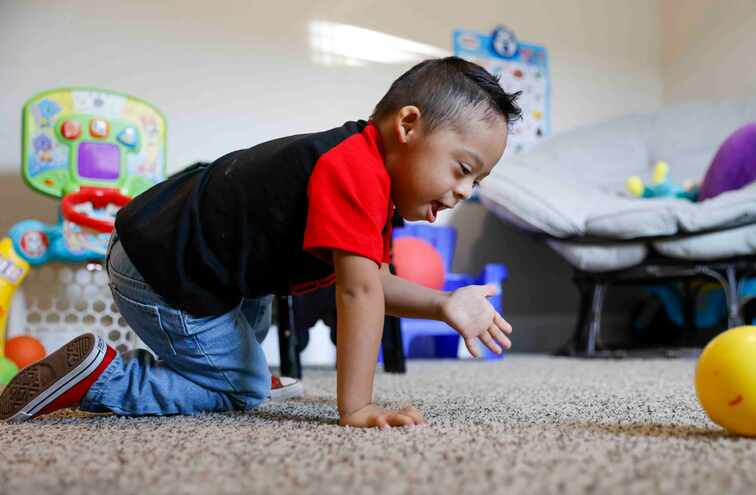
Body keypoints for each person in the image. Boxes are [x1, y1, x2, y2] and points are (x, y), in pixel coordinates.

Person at [0, 57, 521, 428]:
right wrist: (357, 406)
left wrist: (444, 303)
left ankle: (229, 362)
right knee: (240, 391)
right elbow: (359, 295)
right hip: (165, 269)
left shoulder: (364, 168)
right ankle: (102, 379)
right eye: (462, 169)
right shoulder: (355, 173)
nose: (463, 193)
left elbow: (371, 281)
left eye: (476, 182)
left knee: (260, 320)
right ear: (408, 125)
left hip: (198, 253)